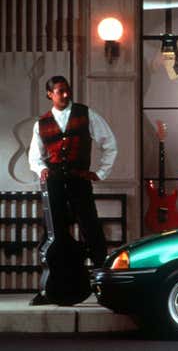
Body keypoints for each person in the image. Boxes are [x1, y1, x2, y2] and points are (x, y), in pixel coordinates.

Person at [28, 75, 117, 305]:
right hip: (55, 182)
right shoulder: (42, 123)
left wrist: (100, 172)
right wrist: (41, 170)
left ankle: (103, 286)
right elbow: (35, 157)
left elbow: (110, 143)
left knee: (91, 229)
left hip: (79, 180)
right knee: (52, 233)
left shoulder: (86, 114)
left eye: (67, 90)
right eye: (60, 91)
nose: (66, 94)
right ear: (50, 94)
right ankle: (50, 288)